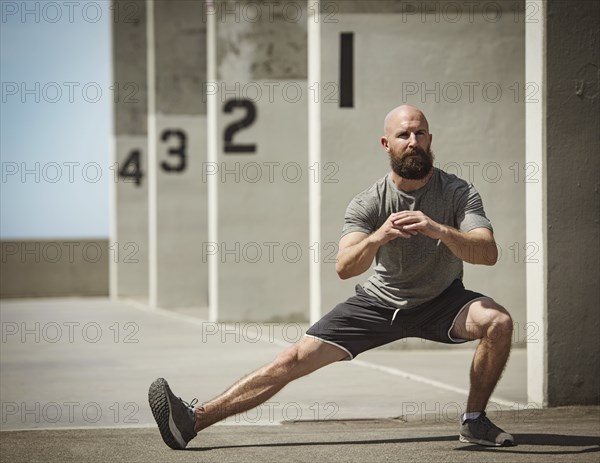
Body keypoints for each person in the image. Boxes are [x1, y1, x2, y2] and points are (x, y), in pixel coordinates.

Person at [148, 104, 514, 449]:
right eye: (404, 135)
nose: (413, 142)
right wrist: (378, 236)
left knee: (497, 322)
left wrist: (440, 230)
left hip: (442, 302)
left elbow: (487, 252)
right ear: (387, 144)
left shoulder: (458, 192)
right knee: (292, 359)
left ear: (430, 140)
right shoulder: (368, 202)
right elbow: (345, 267)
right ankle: (192, 422)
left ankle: (474, 420)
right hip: (379, 304)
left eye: (420, 133)